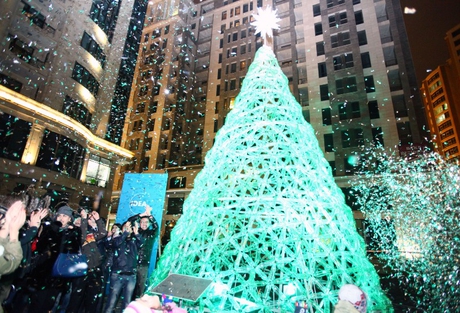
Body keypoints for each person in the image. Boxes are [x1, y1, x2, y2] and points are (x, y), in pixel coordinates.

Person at [22, 205, 81, 312]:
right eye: (60, 215)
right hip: (44, 272)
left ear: (69, 219)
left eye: (65, 216)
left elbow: (74, 250)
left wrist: (70, 234)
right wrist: (54, 230)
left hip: (60, 274)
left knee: (49, 303)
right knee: (37, 301)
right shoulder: (50, 228)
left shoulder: (73, 232)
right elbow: (41, 247)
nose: (61, 218)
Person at [66, 209, 107, 313]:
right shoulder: (79, 232)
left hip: (94, 269)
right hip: (82, 269)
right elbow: (82, 236)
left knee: (91, 299)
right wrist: (84, 219)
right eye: (90, 218)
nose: (91, 218)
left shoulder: (92, 235)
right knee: (76, 299)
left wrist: (98, 220)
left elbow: (103, 233)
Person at [103, 220, 144, 313]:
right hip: (117, 275)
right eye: (126, 227)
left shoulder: (134, 241)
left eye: (130, 227)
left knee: (127, 302)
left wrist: (136, 232)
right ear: (122, 229)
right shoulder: (117, 239)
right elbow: (115, 244)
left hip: (131, 275)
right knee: (111, 302)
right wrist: (125, 233)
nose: (128, 229)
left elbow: (142, 243)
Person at [133, 207, 159, 298]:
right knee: (131, 286)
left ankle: (138, 306)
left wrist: (150, 215)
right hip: (132, 263)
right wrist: (141, 215)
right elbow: (129, 221)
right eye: (142, 222)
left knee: (141, 286)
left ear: (149, 224)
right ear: (139, 223)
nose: (144, 224)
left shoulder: (151, 233)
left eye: (146, 222)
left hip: (144, 264)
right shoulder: (135, 232)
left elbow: (156, 227)